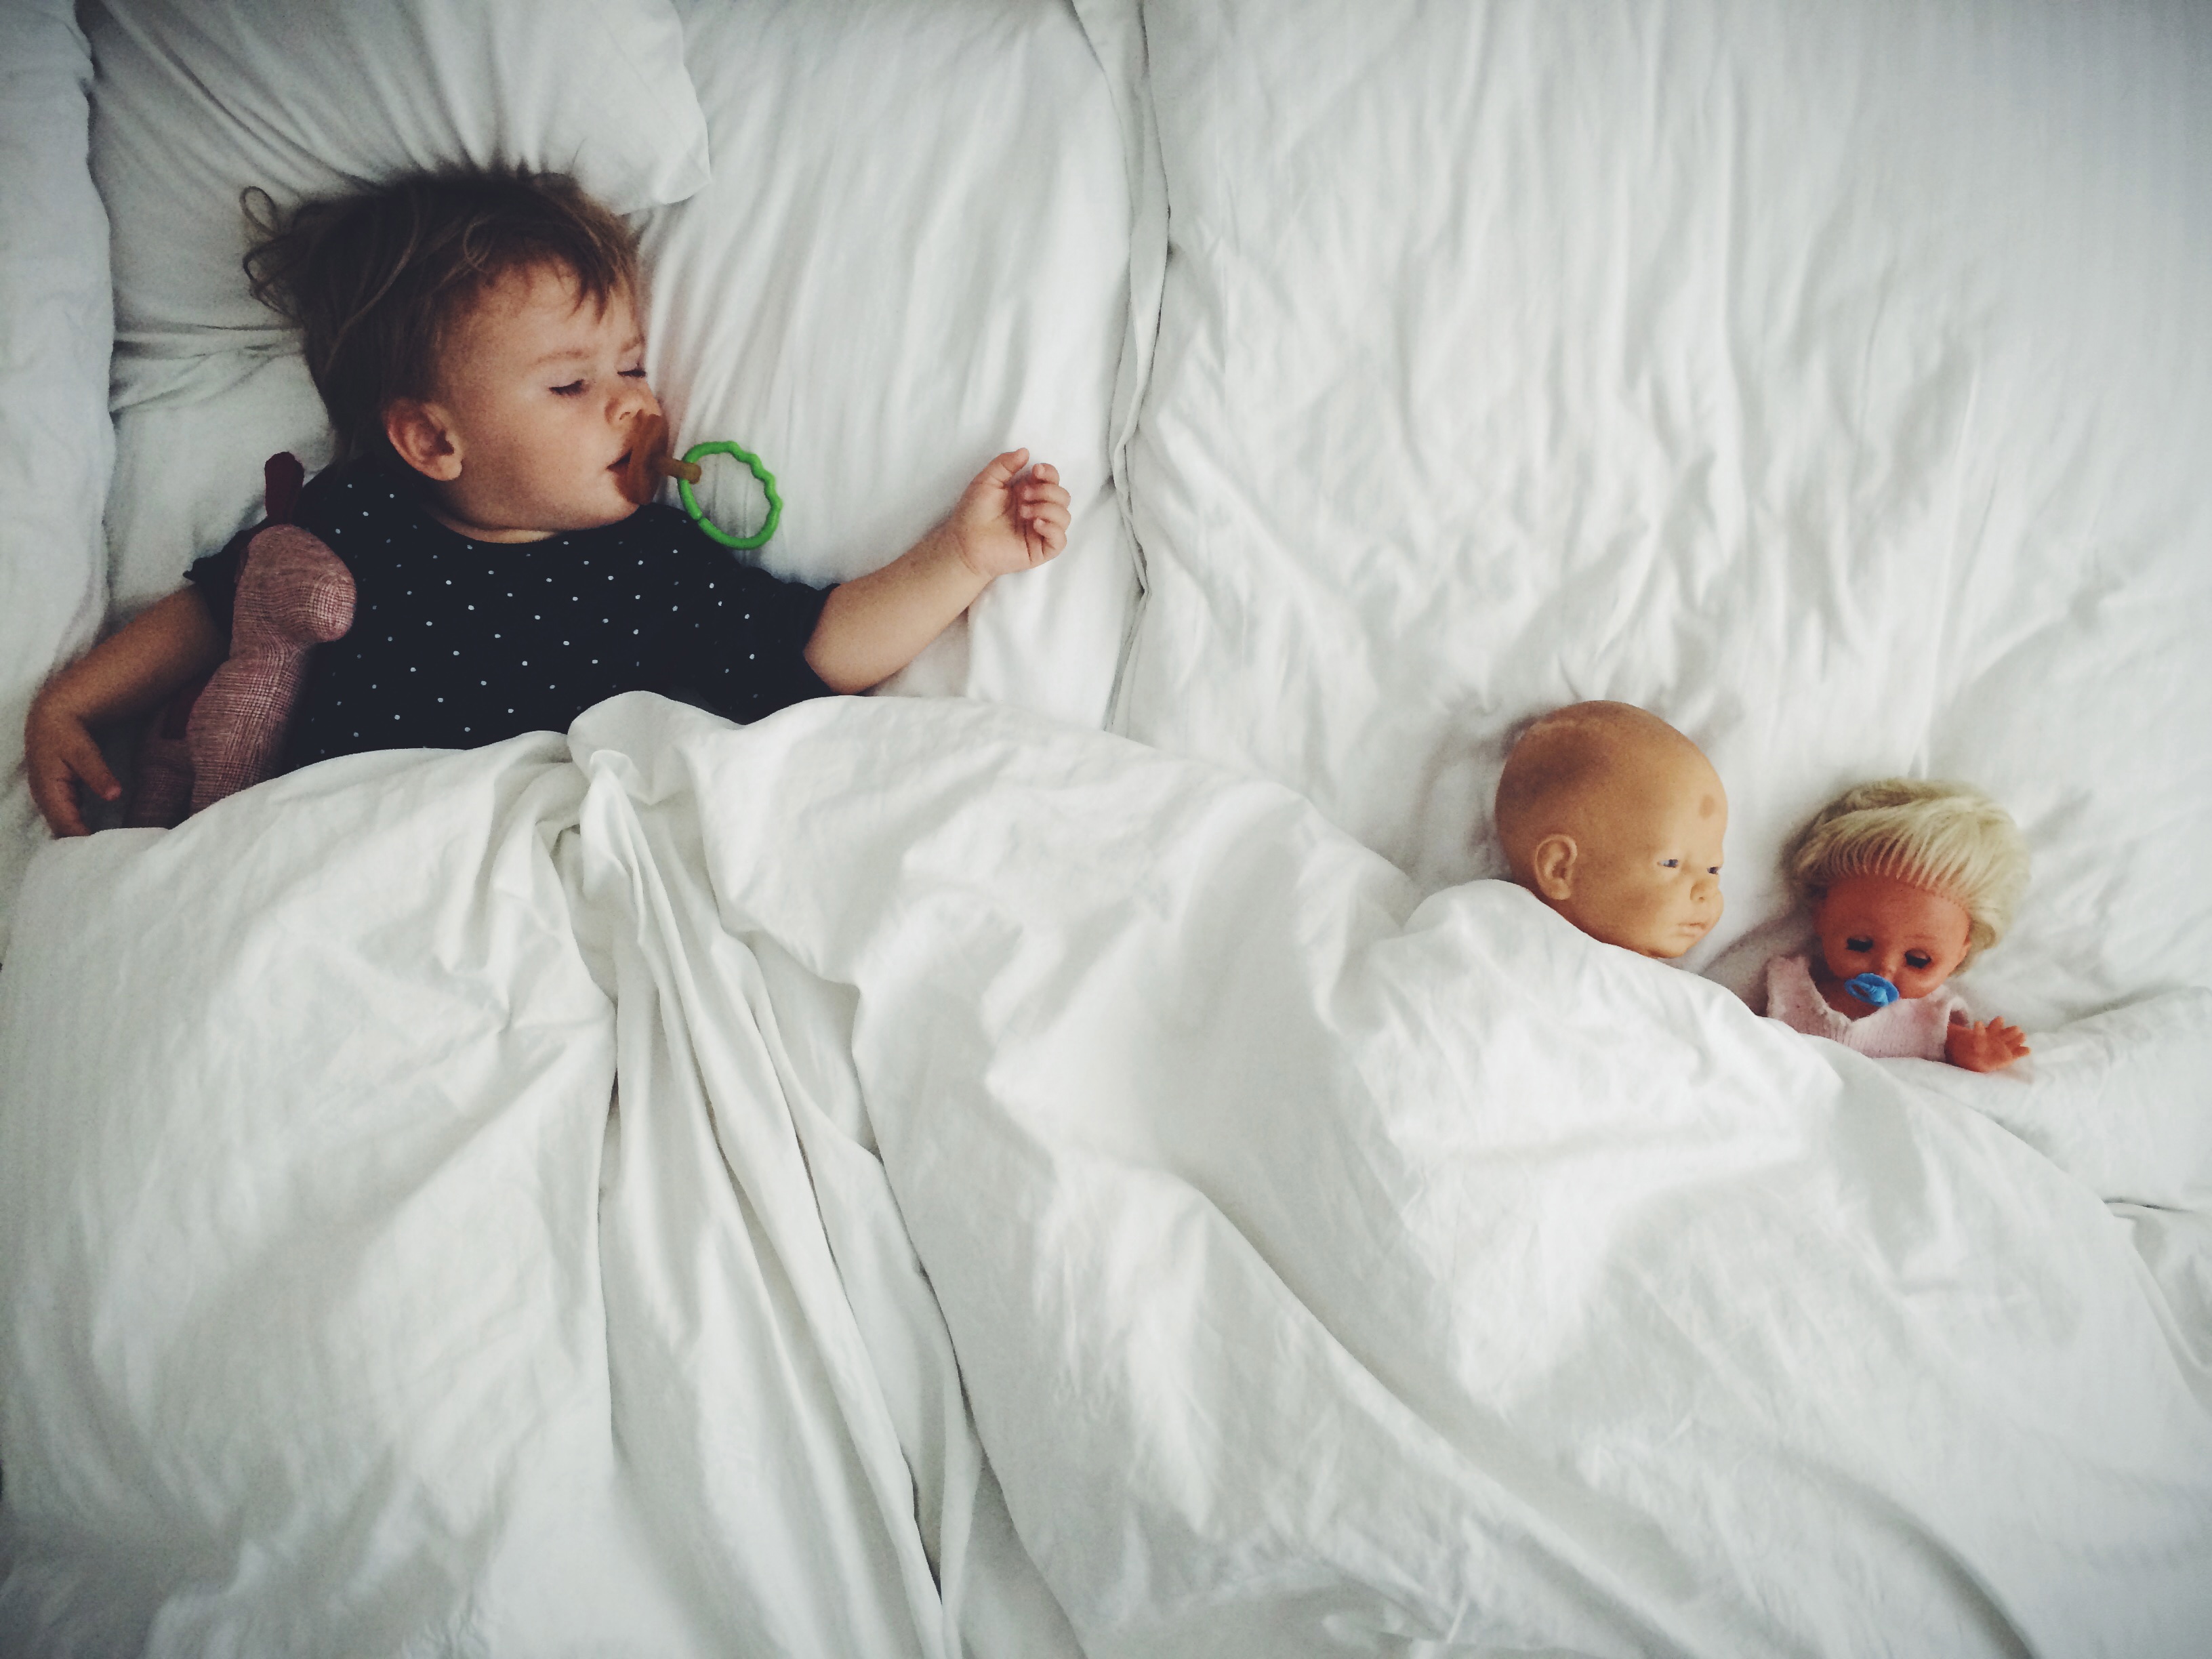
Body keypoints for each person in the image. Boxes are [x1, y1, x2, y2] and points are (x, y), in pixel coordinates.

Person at [25, 167, 1073, 837]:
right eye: (572, 384)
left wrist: (963, 556)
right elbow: (217, 610)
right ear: (433, 439)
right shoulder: (358, 520)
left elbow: (822, 647)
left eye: (632, 365)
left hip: (535, 863)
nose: (633, 405)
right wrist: (74, 705)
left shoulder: (652, 563)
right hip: (343, 843)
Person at [1757, 779, 2030, 1071]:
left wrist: (1976, 1052)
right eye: (1860, 944)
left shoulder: (1928, 1017)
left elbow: (1953, 1047)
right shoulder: (1790, 990)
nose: (1884, 968)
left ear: (1961, 954)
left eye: (1918, 960)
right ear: (1820, 914)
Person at [1493, 700, 1726, 959]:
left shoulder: (1673, 984)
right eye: (1671, 863)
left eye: (1713, 869)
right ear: (1561, 869)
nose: (1707, 890)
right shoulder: (1491, 941)